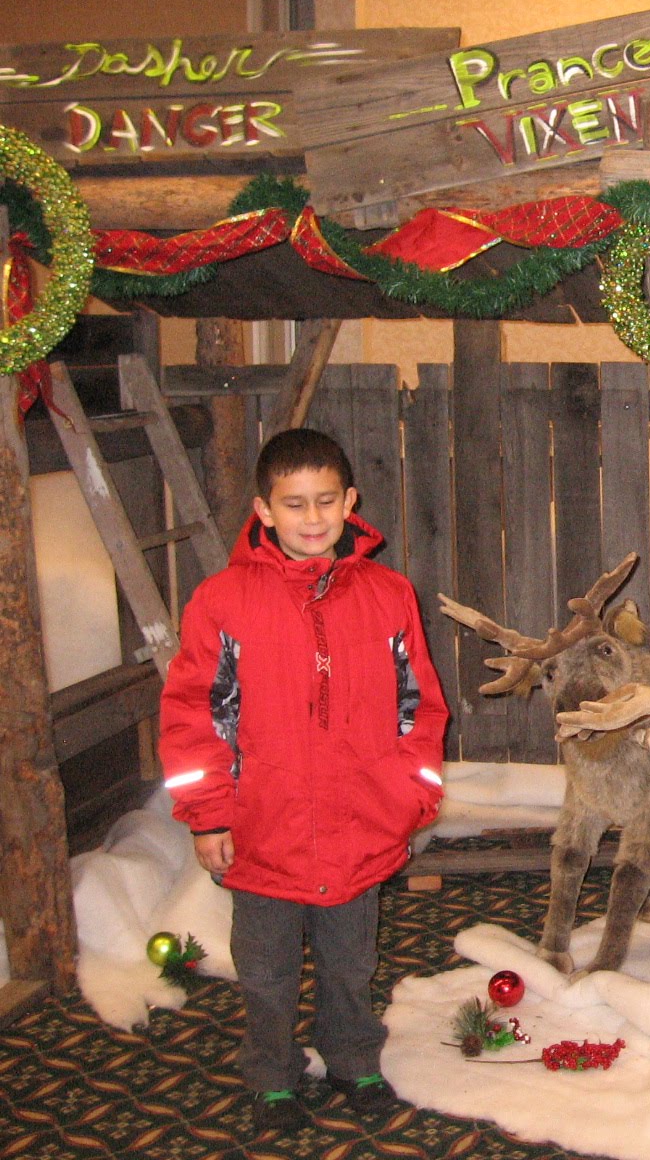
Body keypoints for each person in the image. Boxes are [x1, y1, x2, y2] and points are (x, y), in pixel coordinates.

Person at [159, 428, 448, 1134]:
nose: (312, 518)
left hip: (359, 824)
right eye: (294, 504)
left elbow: (420, 705)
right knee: (265, 970)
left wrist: (412, 792)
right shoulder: (222, 601)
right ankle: (271, 1072)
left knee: (352, 961)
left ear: (350, 502)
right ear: (264, 510)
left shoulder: (388, 595)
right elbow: (196, 713)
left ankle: (352, 1056)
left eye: (325, 501)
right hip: (263, 829)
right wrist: (208, 814)